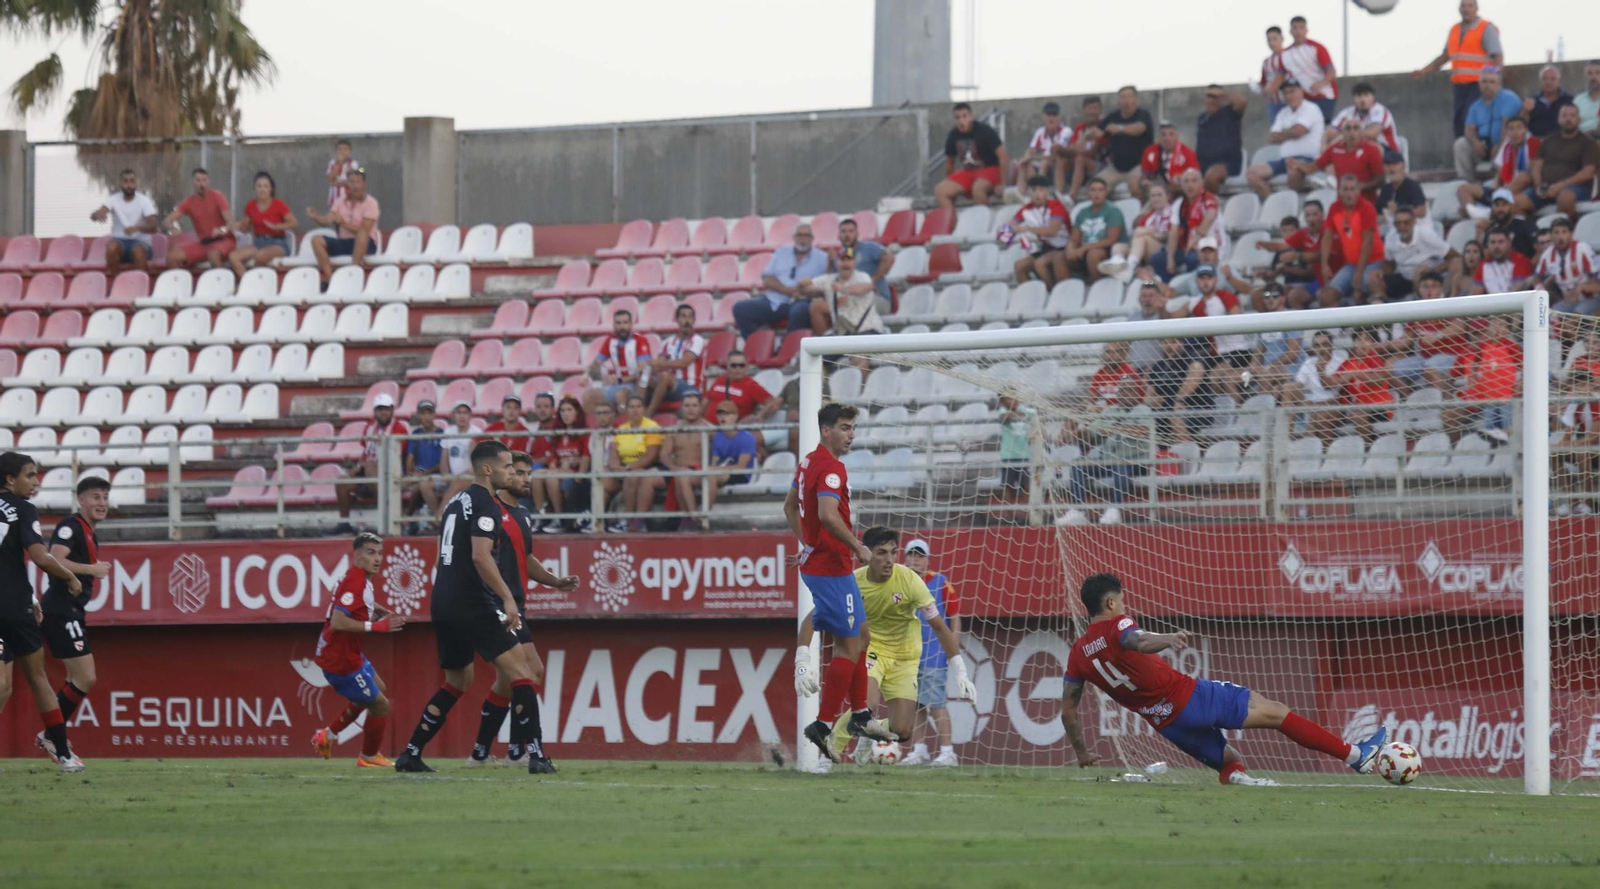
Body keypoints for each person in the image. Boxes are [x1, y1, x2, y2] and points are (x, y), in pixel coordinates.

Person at [1061, 573, 1388, 784]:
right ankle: (1357, 756)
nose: (1124, 605)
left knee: (1230, 765)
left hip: (1166, 722)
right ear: (1110, 602)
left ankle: (1245, 791)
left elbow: (1069, 712)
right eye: (1121, 600)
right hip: (1188, 696)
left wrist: (1082, 754)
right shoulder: (1118, 625)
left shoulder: (1077, 652)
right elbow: (1138, 640)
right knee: (1274, 711)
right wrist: (1169, 638)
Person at [395, 441, 568, 774]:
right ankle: (535, 755)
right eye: (506, 467)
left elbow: (447, 553)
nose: (510, 473)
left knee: (458, 681)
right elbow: (479, 555)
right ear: (488, 470)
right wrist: (505, 597)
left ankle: (411, 753)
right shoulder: (486, 504)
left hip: (442, 600)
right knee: (523, 673)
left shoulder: (455, 501)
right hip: (471, 599)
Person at [801, 527, 972, 769]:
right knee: (866, 706)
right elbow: (813, 616)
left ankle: (867, 732)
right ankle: (827, 758)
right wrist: (802, 657)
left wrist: (960, 668)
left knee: (902, 731)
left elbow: (940, 627)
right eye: (881, 553)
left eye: (893, 552)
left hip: (905, 657)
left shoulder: (910, 580)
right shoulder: (852, 582)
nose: (889, 559)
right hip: (871, 650)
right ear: (867, 553)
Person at [790, 403, 888, 762]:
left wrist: (807, 543)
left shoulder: (806, 462)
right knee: (848, 647)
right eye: (845, 428)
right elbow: (828, 515)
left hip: (826, 563)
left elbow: (789, 507)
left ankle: (861, 714)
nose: (852, 435)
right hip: (831, 567)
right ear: (826, 430)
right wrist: (857, 546)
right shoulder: (831, 468)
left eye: (853, 428)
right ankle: (823, 725)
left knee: (861, 635)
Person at [467, 452, 576, 766]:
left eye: (530, 473)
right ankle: (519, 750)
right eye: (521, 472)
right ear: (506, 474)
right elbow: (480, 555)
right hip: (500, 605)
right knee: (530, 672)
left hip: (516, 604)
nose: (527, 479)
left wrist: (556, 582)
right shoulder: (490, 511)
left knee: (507, 682)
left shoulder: (523, 514)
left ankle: (480, 752)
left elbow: (526, 558)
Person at [0, 452, 86, 772]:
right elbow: (39, 557)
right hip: (14, 608)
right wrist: (70, 576)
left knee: (3, 685)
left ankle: (62, 752)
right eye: (30, 475)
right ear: (10, 479)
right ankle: (63, 754)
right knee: (38, 678)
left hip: (16, 601)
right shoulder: (23, 509)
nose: (36, 482)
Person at [308, 532, 406, 768]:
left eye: (380, 553)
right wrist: (377, 626)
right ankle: (369, 756)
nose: (377, 558)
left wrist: (377, 609)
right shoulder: (356, 580)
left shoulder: (358, 577)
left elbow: (355, 602)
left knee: (377, 690)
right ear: (357, 555)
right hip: (341, 660)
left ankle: (327, 736)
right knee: (380, 704)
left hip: (348, 653)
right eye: (371, 553)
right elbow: (338, 622)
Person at [37, 476, 112, 761]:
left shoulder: (89, 531)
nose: (102, 503)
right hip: (61, 609)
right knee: (85, 676)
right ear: (80, 499)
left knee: (77, 678)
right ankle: (53, 738)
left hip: (70, 610)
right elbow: (53, 559)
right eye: (95, 497)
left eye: (105, 497)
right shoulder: (71, 526)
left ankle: (53, 736)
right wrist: (91, 569)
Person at [897, 539, 961, 767]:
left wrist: (953, 648)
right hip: (909, 656)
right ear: (904, 559)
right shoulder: (900, 583)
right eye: (911, 555)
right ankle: (919, 750)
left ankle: (947, 751)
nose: (915, 560)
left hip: (934, 653)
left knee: (936, 704)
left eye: (919, 555)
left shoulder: (941, 582)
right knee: (917, 706)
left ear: (927, 559)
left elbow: (954, 615)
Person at [1412, 0, 1504, 138]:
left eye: (1470, 6)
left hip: (1479, 84)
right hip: (1459, 85)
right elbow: (1445, 56)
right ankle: (1462, 151)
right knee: (1459, 121)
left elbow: (1497, 55)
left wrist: (1496, 79)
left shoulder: (1485, 27)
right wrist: (1424, 71)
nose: (1466, 9)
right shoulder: (1454, 30)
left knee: (1473, 120)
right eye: (1463, 6)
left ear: (1476, 8)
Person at [733, 223, 827, 338]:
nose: (803, 239)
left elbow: (825, 284)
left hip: (801, 301)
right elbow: (767, 278)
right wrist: (790, 291)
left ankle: (786, 350)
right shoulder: (781, 252)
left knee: (800, 311)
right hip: (773, 300)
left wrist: (805, 292)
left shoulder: (822, 258)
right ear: (794, 237)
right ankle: (757, 344)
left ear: (812, 238)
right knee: (740, 308)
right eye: (800, 235)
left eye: (806, 236)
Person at [335, 392, 409, 533]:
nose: (384, 413)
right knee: (343, 482)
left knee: (371, 469)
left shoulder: (400, 429)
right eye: (380, 409)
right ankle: (344, 523)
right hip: (370, 474)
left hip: (391, 474)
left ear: (392, 410)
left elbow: (397, 456)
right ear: (375, 411)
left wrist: (369, 465)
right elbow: (366, 453)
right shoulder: (369, 427)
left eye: (387, 409)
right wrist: (359, 466)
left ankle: (389, 515)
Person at [1247, 79, 1323, 199]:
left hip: (1309, 159)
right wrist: (1293, 132)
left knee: (1293, 169)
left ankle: (1292, 204)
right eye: (1285, 93)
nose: (1289, 96)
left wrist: (1284, 134)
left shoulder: (1311, 109)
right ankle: (1272, 203)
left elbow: (1298, 131)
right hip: (1284, 160)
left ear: (1301, 92)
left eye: (1292, 92)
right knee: (1252, 173)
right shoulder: (1283, 113)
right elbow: (1272, 138)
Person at [531, 397, 593, 533]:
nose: (565, 413)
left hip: (576, 474)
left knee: (552, 478)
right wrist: (553, 463)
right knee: (536, 476)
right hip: (560, 470)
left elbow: (586, 456)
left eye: (569, 410)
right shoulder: (558, 433)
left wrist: (576, 465)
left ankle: (559, 519)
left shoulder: (584, 433)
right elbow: (552, 456)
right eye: (563, 410)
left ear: (577, 412)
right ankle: (541, 515)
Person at [604, 395, 664, 533]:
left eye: (638, 406)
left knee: (632, 476)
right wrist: (614, 466)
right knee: (602, 478)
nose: (635, 410)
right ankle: (596, 519)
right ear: (627, 410)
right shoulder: (621, 428)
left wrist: (628, 468)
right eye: (631, 407)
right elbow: (613, 451)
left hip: (644, 468)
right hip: (623, 469)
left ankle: (629, 520)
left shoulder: (652, 427)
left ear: (643, 409)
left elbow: (651, 455)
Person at [307, 168, 379, 283]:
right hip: (344, 242)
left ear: (364, 184)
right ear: (347, 184)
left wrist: (343, 224)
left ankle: (352, 274)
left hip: (365, 244)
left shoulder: (371, 203)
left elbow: (364, 229)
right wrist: (315, 216)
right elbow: (326, 220)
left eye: (358, 182)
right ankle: (330, 278)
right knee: (316, 240)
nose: (355, 186)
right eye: (351, 182)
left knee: (362, 235)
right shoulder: (340, 201)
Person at [1321, 175, 1385, 305]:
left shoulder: (1366, 208)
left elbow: (1368, 242)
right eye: (1345, 189)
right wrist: (1324, 264)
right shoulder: (1335, 208)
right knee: (1329, 294)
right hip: (1352, 264)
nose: (1349, 193)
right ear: (1339, 191)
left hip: (1374, 260)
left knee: (1366, 286)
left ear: (1358, 191)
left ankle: (1380, 322)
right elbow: (1327, 237)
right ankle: (1339, 324)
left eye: (1352, 189)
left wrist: (1359, 272)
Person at [1100, 181, 1179, 284]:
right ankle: (1118, 263)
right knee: (1118, 246)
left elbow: (1170, 236)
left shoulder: (1172, 211)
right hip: (1146, 249)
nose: (1156, 198)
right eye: (1153, 196)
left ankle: (1129, 268)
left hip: (1166, 250)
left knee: (1142, 237)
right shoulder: (1149, 216)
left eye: (1159, 195)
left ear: (1168, 196)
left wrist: (1150, 233)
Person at [1459, 115, 1538, 217]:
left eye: (1519, 128)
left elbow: (1531, 174)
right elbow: (1500, 172)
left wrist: (1505, 189)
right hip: (1504, 188)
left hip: (1522, 188)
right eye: (1511, 129)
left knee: (1523, 177)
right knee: (1463, 189)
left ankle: (1493, 210)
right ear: (1507, 132)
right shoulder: (1507, 145)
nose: (1515, 132)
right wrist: (1496, 189)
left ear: (1526, 130)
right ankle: (1473, 212)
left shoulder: (1532, 143)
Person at [703, 351, 784, 450]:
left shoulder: (751, 385)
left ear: (747, 367)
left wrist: (759, 416)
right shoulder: (720, 379)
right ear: (727, 366)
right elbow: (707, 400)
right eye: (734, 365)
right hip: (707, 425)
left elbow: (775, 402)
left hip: (729, 429)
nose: (738, 369)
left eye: (741, 365)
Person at [1453, 67, 1521, 182]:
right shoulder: (1476, 106)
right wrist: (1475, 143)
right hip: (1484, 146)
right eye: (1484, 82)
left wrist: (1499, 146)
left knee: (1508, 145)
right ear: (1479, 85)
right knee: (1461, 144)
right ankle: (1466, 181)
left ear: (1499, 84)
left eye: (1492, 82)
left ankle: (1500, 181)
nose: (1487, 85)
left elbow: (1507, 125)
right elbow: (1469, 129)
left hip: (1505, 143)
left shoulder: (1509, 98)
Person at [1532, 104, 1600, 220]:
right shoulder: (1548, 140)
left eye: (1572, 115)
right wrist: (1539, 186)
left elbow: (1588, 172)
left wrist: (1561, 185)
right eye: (1564, 115)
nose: (1568, 119)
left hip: (1576, 188)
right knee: (1517, 202)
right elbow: (1537, 167)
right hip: (1546, 188)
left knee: (1565, 197)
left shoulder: (1588, 143)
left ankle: (1562, 232)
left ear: (1579, 119)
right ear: (1558, 119)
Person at [805, 248, 886, 343]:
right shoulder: (829, 280)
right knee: (819, 353)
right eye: (842, 260)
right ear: (837, 263)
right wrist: (802, 284)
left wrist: (843, 289)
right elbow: (807, 287)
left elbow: (865, 287)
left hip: (867, 330)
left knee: (858, 355)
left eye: (849, 260)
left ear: (854, 263)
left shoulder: (863, 277)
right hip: (842, 334)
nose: (846, 264)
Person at [935, 102, 1008, 208]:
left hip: (990, 170)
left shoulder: (985, 131)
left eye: (964, 116)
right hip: (969, 172)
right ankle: (952, 223)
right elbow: (950, 163)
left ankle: (983, 222)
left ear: (971, 116)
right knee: (940, 190)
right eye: (957, 118)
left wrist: (1003, 183)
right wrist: (950, 183)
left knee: (977, 188)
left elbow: (1003, 155)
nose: (961, 121)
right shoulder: (953, 135)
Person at [1373, 206, 1454, 302]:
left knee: (1418, 271)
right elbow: (1390, 263)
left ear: (1414, 222)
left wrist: (1432, 270)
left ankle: (1416, 304)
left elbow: (1453, 257)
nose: (1402, 226)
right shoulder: (1391, 237)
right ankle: (1380, 306)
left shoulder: (1426, 235)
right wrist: (1381, 271)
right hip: (1403, 276)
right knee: (1374, 276)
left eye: (1406, 223)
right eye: (1398, 223)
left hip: (1427, 276)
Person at [162, 167, 236, 269]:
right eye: (198, 180)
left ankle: (223, 282)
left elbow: (231, 222)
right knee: (172, 257)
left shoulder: (217, 196)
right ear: (193, 182)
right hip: (204, 244)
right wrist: (172, 228)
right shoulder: (189, 202)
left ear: (208, 181)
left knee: (213, 255)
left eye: (204, 180)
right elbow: (167, 220)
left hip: (223, 240)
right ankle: (184, 283)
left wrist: (222, 230)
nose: (202, 184)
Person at [227, 171, 297, 277]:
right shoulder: (251, 205)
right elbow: (245, 227)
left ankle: (258, 282)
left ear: (271, 189)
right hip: (258, 242)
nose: (262, 189)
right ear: (255, 188)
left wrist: (277, 227)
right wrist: (234, 226)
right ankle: (248, 283)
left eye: (265, 186)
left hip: (278, 243)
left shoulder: (278, 204)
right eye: (259, 186)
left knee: (260, 256)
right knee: (233, 257)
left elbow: (294, 223)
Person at [90, 169, 158, 277]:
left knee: (138, 252)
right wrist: (98, 215)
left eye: (132, 181)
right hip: (120, 242)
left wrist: (137, 228)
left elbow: (154, 226)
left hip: (141, 242)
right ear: (120, 184)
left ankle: (142, 286)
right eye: (125, 181)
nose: (129, 185)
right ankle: (116, 285)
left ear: (136, 183)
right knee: (111, 248)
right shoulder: (113, 199)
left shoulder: (144, 200)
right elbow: (96, 214)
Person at [1004, 177, 1071, 287]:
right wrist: (1007, 230)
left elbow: (1052, 231)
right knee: (1019, 266)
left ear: (1047, 191)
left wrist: (1026, 229)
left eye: (1041, 190)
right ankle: (1032, 294)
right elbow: (1010, 224)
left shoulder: (1057, 206)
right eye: (1033, 190)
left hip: (1064, 247)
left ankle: (1051, 292)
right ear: (1028, 193)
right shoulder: (1027, 209)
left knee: (1040, 263)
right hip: (1047, 248)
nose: (1037, 194)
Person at [1297, 118, 1383, 202]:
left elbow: (1380, 179)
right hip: (1342, 203)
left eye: (1356, 128)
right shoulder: (1335, 149)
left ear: (1361, 132)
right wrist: (1297, 165)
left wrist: (1362, 186)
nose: (1352, 132)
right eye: (1348, 128)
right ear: (1343, 133)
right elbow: (1314, 167)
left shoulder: (1371, 150)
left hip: (1366, 201)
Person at [660, 393, 712, 531]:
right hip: (678, 469)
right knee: (646, 479)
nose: (691, 409)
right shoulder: (674, 429)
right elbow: (664, 455)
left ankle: (692, 519)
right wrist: (673, 467)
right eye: (687, 405)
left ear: (700, 408)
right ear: (682, 408)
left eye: (694, 405)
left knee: (682, 477)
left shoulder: (710, 429)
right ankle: (637, 522)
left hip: (700, 472)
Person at [643, 303, 706, 415]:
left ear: (694, 320)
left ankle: (648, 414)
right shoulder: (667, 342)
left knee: (665, 376)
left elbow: (683, 363)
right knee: (643, 376)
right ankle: (636, 410)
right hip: (669, 387)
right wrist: (651, 365)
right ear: (677, 320)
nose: (687, 321)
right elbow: (659, 365)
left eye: (690, 317)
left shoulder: (697, 340)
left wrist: (661, 364)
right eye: (683, 316)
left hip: (690, 387)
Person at [1094, 86, 1155, 197]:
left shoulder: (1143, 115)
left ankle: (1142, 213)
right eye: (1123, 97)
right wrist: (1091, 134)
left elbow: (1140, 128)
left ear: (1136, 100)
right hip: (1116, 168)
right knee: (1095, 186)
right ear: (1119, 101)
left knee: (1135, 185)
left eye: (1130, 96)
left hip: (1139, 166)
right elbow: (1098, 131)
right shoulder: (1113, 116)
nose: (1126, 100)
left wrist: (1119, 128)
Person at [1335, 328, 1394, 442]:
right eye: (1358, 339)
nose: (1362, 343)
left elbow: (1381, 379)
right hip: (1354, 408)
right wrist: (1319, 368)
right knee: (1322, 415)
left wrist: (1356, 374)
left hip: (1378, 408)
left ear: (1373, 343)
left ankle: (1368, 450)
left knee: (1358, 415)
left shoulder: (1374, 358)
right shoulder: (1348, 362)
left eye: (1367, 339)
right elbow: (1334, 381)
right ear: (1353, 342)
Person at [1064, 179, 1124, 282]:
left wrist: (1085, 248)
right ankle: (1066, 291)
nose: (1097, 194)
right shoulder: (1082, 212)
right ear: (1088, 193)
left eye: (1100, 190)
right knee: (1060, 257)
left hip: (1106, 250)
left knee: (1093, 255)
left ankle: (1096, 287)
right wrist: (1070, 249)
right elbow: (1074, 238)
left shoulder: (1113, 211)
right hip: (1084, 250)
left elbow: (1111, 240)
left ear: (1105, 192)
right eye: (1093, 190)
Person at [1280, 15, 1338, 121]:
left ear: (1306, 30)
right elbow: (1283, 77)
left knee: (1321, 127)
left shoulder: (1317, 48)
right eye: (1295, 28)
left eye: (1301, 27)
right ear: (1290, 31)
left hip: (1323, 96)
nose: (1298, 31)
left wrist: (1321, 83)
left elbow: (1331, 71)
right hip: (1302, 100)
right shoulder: (1285, 54)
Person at [1537, 216, 1600, 314]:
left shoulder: (1582, 249)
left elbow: (1595, 277)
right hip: (1567, 301)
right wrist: (1539, 287)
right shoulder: (1547, 255)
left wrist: (1581, 288)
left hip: (1589, 299)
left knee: (1575, 318)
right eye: (1556, 232)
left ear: (1571, 234)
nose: (1560, 237)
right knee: (1548, 316)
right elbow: (1538, 276)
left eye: (1564, 232)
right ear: (1551, 235)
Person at [1197, 84, 1248, 194]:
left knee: (1211, 176)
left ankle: (1211, 206)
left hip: (1227, 163)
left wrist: (1222, 93)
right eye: (1208, 96)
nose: (1210, 100)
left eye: (1214, 97)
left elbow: (1242, 101)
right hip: (1203, 163)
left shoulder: (1230, 113)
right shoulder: (1202, 118)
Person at [1016, 101, 1073, 195]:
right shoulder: (1040, 131)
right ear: (1044, 117)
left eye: (1054, 115)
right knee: (1025, 165)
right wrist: (1027, 159)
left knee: (1044, 163)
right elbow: (1030, 150)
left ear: (1059, 117)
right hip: (1043, 161)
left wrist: (1032, 158)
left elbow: (1056, 155)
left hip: (1060, 163)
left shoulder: (1066, 131)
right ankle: (1021, 195)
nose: (1051, 119)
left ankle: (1044, 193)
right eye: (1048, 115)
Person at [403, 400, 445, 527]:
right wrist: (410, 473)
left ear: (434, 415)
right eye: (423, 413)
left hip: (434, 474)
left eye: (429, 413)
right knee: (394, 486)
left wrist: (424, 473)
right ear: (418, 415)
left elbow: (442, 462)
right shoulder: (416, 434)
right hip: (419, 473)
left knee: (419, 487)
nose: (426, 417)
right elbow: (410, 457)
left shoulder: (441, 434)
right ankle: (397, 519)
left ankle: (405, 519)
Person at [1327, 82, 1401, 152]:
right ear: (1354, 98)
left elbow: (1372, 134)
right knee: (1336, 149)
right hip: (1360, 149)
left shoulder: (1380, 110)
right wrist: (1324, 145)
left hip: (1388, 150)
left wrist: (1345, 133)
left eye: (1366, 95)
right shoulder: (1348, 112)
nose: (1362, 99)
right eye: (1359, 95)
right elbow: (1330, 132)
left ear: (1373, 97)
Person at [1136, 121, 1199, 202]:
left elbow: (1196, 182)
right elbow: (1144, 176)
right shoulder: (1149, 152)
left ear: (1177, 137)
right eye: (1163, 135)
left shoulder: (1188, 153)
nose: (1167, 138)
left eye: (1171, 134)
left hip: (1181, 195)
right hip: (1156, 193)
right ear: (1158, 138)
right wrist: (1145, 183)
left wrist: (1180, 181)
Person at [835, 216, 893, 302]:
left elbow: (889, 258)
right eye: (843, 232)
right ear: (839, 235)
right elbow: (832, 279)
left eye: (851, 231)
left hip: (878, 298)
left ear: (857, 233)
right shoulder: (840, 255)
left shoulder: (869, 247)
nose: (847, 235)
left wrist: (873, 280)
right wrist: (829, 262)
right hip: (853, 298)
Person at [1063, 96, 1109, 201]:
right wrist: (1083, 137)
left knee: (1080, 158)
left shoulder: (1104, 126)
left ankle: (1072, 196)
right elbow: (1071, 148)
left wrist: (1082, 141)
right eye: (1089, 108)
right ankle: (1058, 195)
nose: (1092, 112)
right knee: (1062, 159)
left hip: (1099, 165)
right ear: (1084, 110)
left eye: (1095, 108)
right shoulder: (1080, 127)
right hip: (1079, 165)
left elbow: (1094, 152)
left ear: (1100, 110)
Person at [1475, 187, 1538, 260]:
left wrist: (1528, 268)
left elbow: (1540, 250)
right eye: (1497, 205)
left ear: (1512, 206)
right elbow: (1485, 255)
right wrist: (1479, 233)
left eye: (1504, 204)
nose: (1500, 209)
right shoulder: (1491, 229)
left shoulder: (1525, 226)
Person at [995, 394, 1036, 498]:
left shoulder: (1023, 410)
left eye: (1015, 396)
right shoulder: (1002, 411)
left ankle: (1029, 512)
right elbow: (1003, 417)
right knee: (1009, 486)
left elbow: (1034, 413)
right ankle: (1007, 512)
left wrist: (1021, 413)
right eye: (1009, 398)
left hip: (1023, 455)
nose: (1013, 400)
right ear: (1002, 401)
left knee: (1026, 486)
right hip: (1008, 456)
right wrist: (1018, 413)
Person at [438, 402, 478, 506]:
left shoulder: (477, 433)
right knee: (425, 485)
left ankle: (438, 519)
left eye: (465, 413)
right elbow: (444, 459)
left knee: (457, 483)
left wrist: (455, 478)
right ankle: (432, 513)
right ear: (453, 415)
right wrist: (446, 475)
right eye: (459, 412)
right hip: (452, 476)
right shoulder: (449, 431)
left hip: (469, 478)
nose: (462, 416)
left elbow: (474, 466)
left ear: (470, 416)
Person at [1474, 229, 1534, 294]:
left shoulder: (1520, 259)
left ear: (1509, 243)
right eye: (1492, 242)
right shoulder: (1484, 264)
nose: (1496, 246)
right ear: (1487, 245)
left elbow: (1518, 289)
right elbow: (1475, 293)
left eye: (1501, 242)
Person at [1375, 151, 1427, 225]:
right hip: (1392, 230)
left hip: (1416, 229)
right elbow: (1377, 211)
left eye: (1395, 164)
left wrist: (1398, 209)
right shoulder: (1386, 189)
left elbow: (1422, 212)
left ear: (1403, 167)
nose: (1391, 168)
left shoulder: (1412, 186)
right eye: (1388, 165)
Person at [1524, 65, 1575, 137]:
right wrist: (1525, 112)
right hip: (1538, 143)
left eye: (1552, 79)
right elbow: (1522, 125)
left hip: (1563, 143)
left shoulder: (1570, 101)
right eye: (1544, 79)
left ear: (1559, 81)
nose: (1548, 82)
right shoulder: (1532, 101)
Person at [1257, 26, 1289, 125]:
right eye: (1269, 40)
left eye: (1275, 39)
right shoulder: (1266, 62)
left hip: (1288, 102)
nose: (1272, 43)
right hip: (1272, 104)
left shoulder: (1289, 57)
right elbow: (1264, 82)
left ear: (1282, 39)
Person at [326, 138, 359, 205]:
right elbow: (330, 180)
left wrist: (337, 182)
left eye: (345, 149)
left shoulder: (353, 164)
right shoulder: (332, 163)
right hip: (334, 200)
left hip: (349, 200)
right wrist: (339, 164)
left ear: (349, 152)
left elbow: (352, 183)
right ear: (336, 151)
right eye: (340, 149)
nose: (342, 152)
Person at [1576, 60, 1600, 137]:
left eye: (1598, 73)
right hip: (1581, 141)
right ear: (1585, 76)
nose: (1593, 77)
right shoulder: (1578, 100)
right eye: (1590, 73)